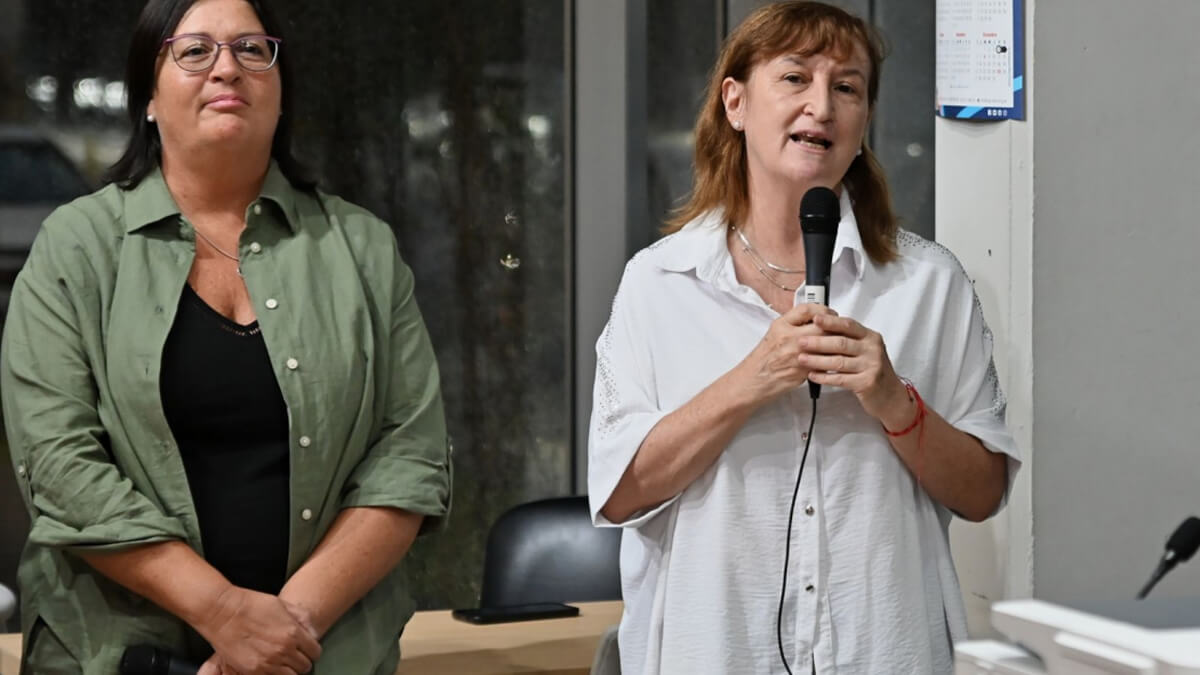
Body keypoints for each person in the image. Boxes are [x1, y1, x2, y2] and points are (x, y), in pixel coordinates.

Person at [0, 0, 451, 672]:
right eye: (194, 51)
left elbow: (409, 457)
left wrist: (280, 633)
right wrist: (226, 615)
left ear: (279, 91)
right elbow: (61, 468)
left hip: (323, 654)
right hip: (117, 654)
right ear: (147, 98)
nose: (227, 69)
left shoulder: (361, 248)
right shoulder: (78, 248)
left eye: (251, 49)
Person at [587, 3, 1020, 674]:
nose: (821, 105)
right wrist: (748, 381)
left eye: (846, 87)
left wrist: (894, 400)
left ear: (863, 120)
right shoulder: (658, 284)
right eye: (795, 77)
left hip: (885, 650)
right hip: (715, 653)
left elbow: (984, 490)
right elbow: (618, 493)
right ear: (735, 102)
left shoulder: (930, 285)